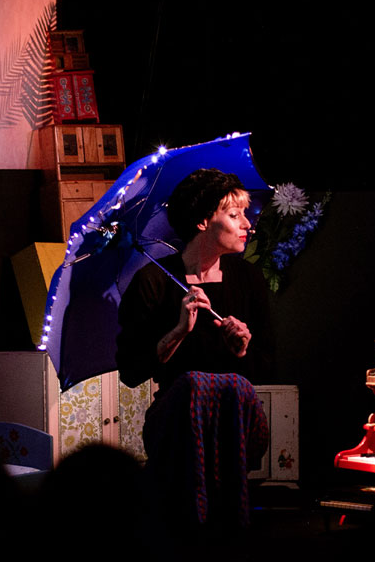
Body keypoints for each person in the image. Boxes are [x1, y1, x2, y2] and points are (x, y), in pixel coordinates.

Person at [114, 168, 273, 535]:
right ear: (203, 221)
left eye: (244, 215)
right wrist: (178, 331)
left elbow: (265, 368)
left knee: (228, 386)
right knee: (193, 384)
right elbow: (131, 371)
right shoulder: (153, 281)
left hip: (234, 423)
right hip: (175, 425)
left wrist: (242, 350)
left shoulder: (248, 279)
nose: (246, 224)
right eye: (234, 216)